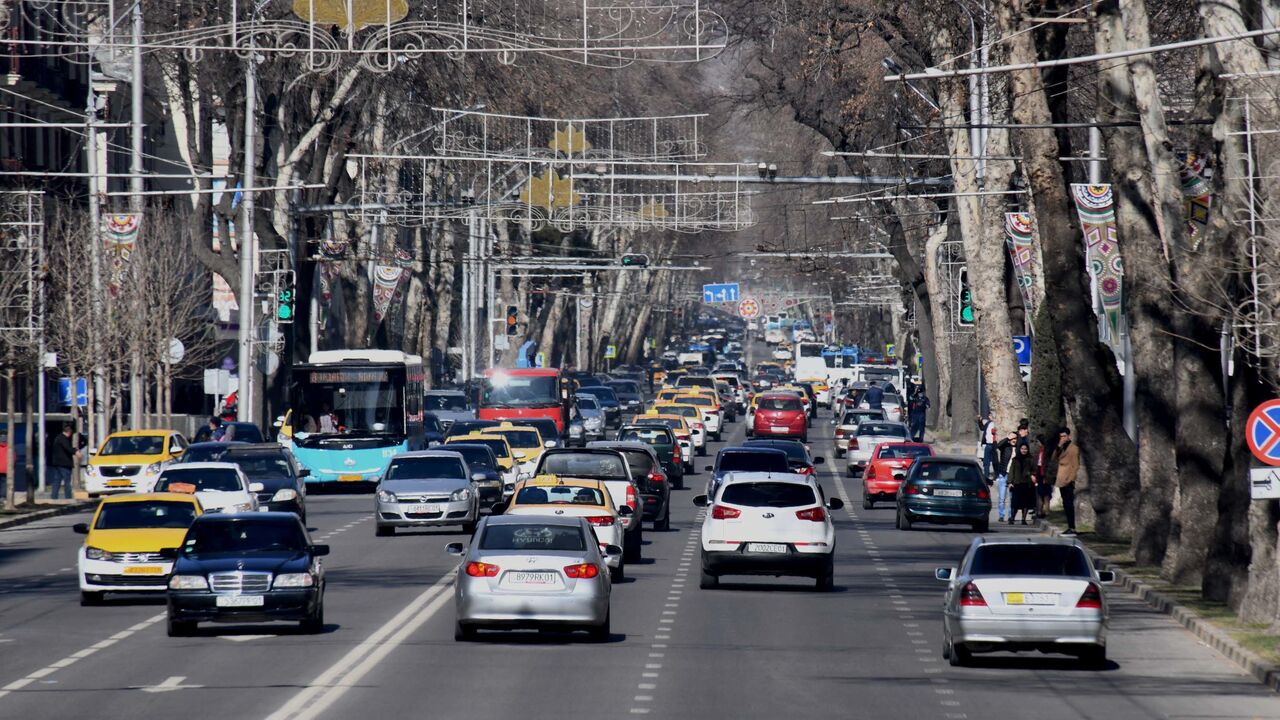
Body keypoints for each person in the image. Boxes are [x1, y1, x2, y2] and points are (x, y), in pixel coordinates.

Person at [1053, 427, 1080, 535]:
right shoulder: (1061, 448)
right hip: (1061, 478)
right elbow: (1053, 458)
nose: (1062, 438)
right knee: (1065, 503)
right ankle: (1069, 526)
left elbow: (1076, 465)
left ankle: (1072, 527)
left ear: (1068, 436)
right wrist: (1058, 446)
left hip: (1068, 479)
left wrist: (1071, 479)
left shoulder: (1073, 448)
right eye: (1061, 437)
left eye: (1064, 436)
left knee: (1069, 503)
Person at [1007, 442, 1036, 525]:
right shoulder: (1015, 459)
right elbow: (1011, 471)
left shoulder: (1030, 459)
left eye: (1025, 449)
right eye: (1022, 449)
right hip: (1017, 483)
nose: (1024, 450)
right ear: (1019, 449)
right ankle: (1012, 518)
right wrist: (1010, 482)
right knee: (1015, 502)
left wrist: (1031, 474)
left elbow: (1034, 470)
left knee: (1025, 503)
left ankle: (1023, 519)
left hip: (1027, 484)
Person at [48, 423, 79, 500]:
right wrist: (75, 451)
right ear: (69, 432)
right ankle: (68, 497)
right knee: (67, 481)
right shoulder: (63, 439)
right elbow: (68, 448)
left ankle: (54, 497)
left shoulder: (58, 438)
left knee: (57, 481)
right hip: (64, 464)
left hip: (57, 463)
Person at [994, 431, 1016, 522]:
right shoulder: (1005, 447)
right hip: (1003, 474)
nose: (1014, 440)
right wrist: (1007, 438)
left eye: (1015, 438)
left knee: (1012, 498)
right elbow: (998, 445)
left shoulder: (1019, 448)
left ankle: (1011, 516)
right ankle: (1001, 515)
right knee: (1002, 497)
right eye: (1012, 439)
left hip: (1013, 476)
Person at [978, 412, 997, 481]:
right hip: (988, 444)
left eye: (991, 415)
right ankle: (986, 475)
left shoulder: (996, 424)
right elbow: (982, 428)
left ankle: (996, 475)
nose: (990, 416)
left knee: (995, 461)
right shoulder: (988, 423)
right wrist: (980, 421)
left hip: (994, 444)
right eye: (989, 415)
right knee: (986, 461)